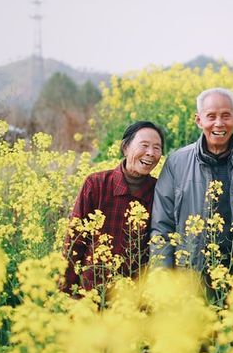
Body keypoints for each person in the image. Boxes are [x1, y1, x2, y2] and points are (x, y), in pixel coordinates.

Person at [150, 87, 233, 273]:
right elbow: (162, 228)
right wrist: (162, 279)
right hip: (191, 277)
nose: (219, 123)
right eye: (211, 116)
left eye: (226, 116)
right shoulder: (176, 163)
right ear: (199, 120)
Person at [62, 121, 164, 296]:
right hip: (91, 293)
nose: (151, 153)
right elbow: (75, 241)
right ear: (125, 148)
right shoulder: (96, 184)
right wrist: (64, 291)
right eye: (144, 145)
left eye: (157, 148)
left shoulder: (160, 191)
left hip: (133, 301)